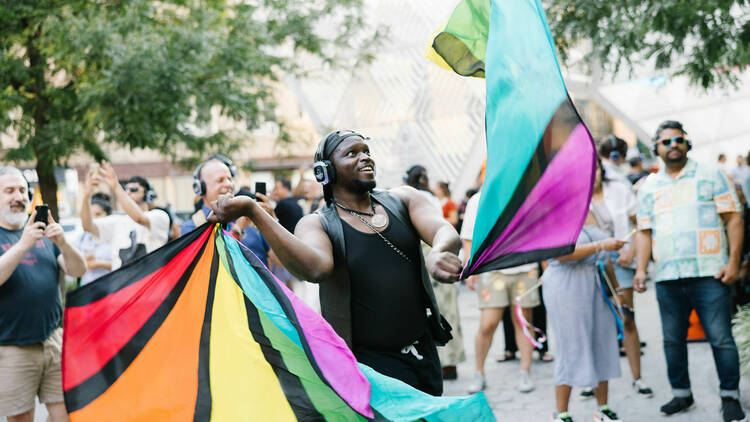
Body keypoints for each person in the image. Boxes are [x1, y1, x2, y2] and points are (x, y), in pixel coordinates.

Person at [209, 130, 461, 395]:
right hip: (369, 369)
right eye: (352, 153)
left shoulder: (404, 199)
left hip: (424, 355)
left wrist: (438, 251)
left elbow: (444, 231)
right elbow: (315, 268)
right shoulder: (317, 223)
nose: (365, 158)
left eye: (366, 151)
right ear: (325, 172)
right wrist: (254, 211)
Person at [634, 120, 746, 421]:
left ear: (687, 143)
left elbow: (734, 218)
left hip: (710, 274)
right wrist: (641, 270)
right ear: (656, 148)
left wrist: (733, 262)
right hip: (668, 277)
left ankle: (730, 397)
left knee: (721, 338)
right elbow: (644, 231)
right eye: (666, 142)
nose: (673, 146)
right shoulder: (649, 187)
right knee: (672, 340)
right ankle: (681, 395)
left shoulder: (711, 174)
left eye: (678, 140)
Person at [0, 166, 86, 422]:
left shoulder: (45, 234)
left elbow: (78, 269)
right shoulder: (23, 236)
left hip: (53, 340)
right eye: (9, 190)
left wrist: (63, 243)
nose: (19, 196)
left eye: (23, 190)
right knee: (22, 417)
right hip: (12, 346)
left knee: (65, 413)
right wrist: (23, 244)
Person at [543, 187, 625, 422]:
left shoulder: (590, 209)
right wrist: (602, 246)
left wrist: (617, 291)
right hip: (565, 284)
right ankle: (561, 412)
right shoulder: (552, 211)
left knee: (603, 340)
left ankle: (603, 408)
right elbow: (560, 254)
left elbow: (606, 254)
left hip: (595, 281)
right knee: (571, 344)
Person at [580, 157, 653, 400]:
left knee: (627, 316)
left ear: (603, 170)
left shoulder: (620, 191)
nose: (593, 174)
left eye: (597, 169)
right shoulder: (574, 195)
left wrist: (631, 250)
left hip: (620, 256)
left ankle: (637, 377)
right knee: (591, 323)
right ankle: (593, 380)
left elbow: (640, 224)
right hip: (588, 261)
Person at [461, 189, 538, 394]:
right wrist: (470, 269)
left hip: (525, 266)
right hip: (491, 268)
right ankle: (479, 372)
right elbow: (468, 237)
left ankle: (525, 371)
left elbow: (538, 230)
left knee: (523, 321)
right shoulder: (478, 200)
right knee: (488, 323)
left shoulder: (525, 193)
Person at [81, 163, 170, 270]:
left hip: (150, 283)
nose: (127, 192)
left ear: (147, 194)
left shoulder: (159, 216)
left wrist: (116, 187)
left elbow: (139, 218)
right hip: (122, 284)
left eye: (133, 190)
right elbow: (87, 226)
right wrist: (86, 195)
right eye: (125, 189)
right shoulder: (118, 221)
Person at [74, 192, 113, 285]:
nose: (93, 219)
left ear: (108, 215)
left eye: (98, 214)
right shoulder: (83, 237)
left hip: (111, 288)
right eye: (90, 215)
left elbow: (124, 264)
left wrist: (99, 264)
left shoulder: (115, 236)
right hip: (87, 288)